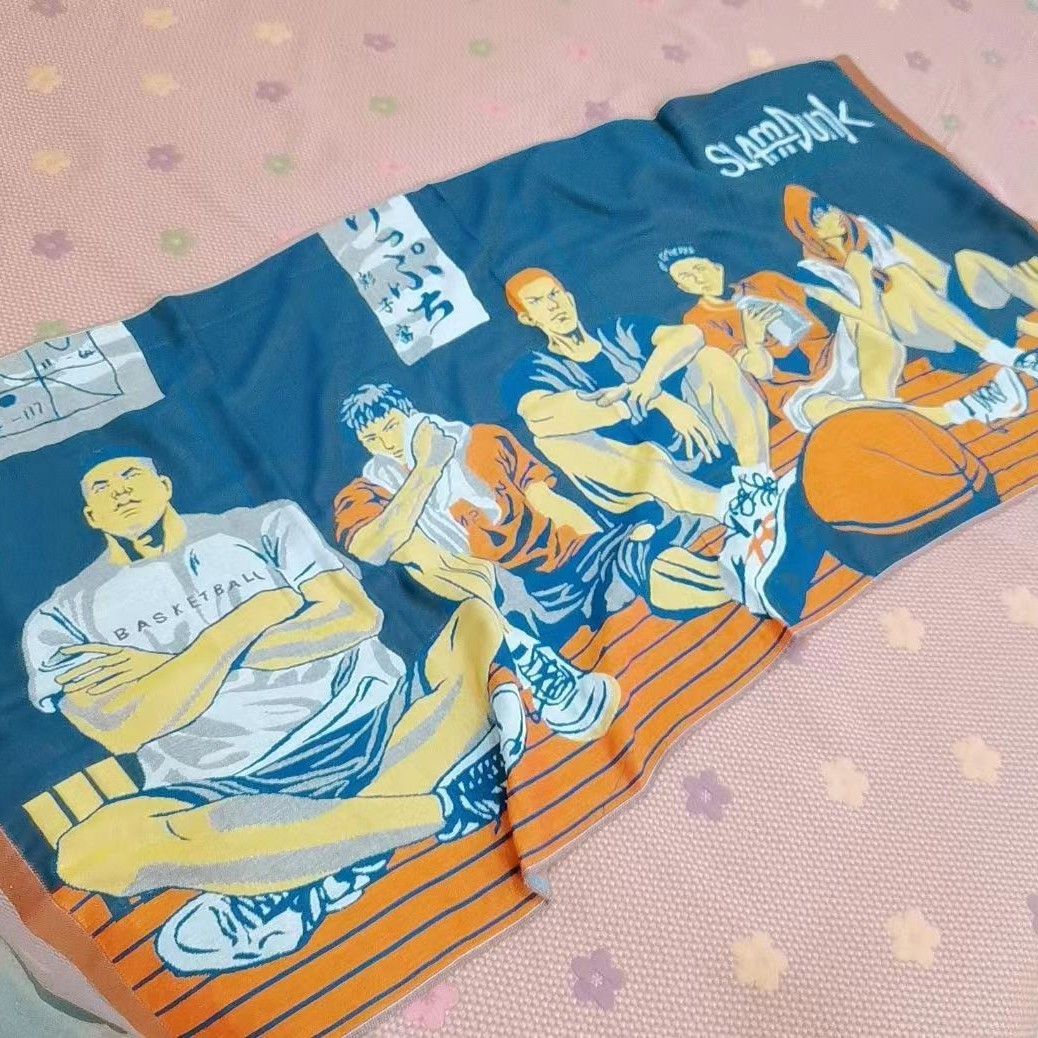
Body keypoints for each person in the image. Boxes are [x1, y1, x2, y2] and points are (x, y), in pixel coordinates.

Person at [22, 451, 525, 974]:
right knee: (88, 854)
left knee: (474, 621)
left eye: (131, 476)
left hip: (372, 718)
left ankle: (291, 866)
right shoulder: (60, 616)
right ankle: (438, 810)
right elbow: (124, 726)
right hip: (226, 791)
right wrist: (249, 617)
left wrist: (163, 672)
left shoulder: (265, 523)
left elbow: (353, 617)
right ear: (90, 516)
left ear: (165, 486)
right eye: (102, 488)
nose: (121, 490)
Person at [332, 385, 733, 747]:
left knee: (641, 560)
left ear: (410, 414)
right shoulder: (368, 491)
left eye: (392, 427)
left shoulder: (482, 441)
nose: (388, 443)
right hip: (489, 598)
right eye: (373, 439)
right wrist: (428, 468)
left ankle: (737, 587)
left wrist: (602, 547)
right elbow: (374, 547)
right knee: (411, 547)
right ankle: (531, 665)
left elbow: (549, 501)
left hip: (552, 563)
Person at [501, 266, 780, 606]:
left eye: (555, 295)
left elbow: (688, 336)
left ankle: (756, 481)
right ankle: (727, 508)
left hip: (700, 442)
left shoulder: (619, 332)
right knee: (554, 439)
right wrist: (645, 400)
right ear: (527, 319)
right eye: (537, 302)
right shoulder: (533, 371)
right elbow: (540, 415)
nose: (553, 305)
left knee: (711, 359)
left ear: (569, 298)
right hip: (644, 486)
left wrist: (647, 384)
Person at [659, 243, 1028, 433]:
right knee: (831, 411)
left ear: (716, 266)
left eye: (698, 268)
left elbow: (832, 301)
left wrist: (868, 293)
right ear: (680, 288)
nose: (697, 277)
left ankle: (889, 411)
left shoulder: (766, 281)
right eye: (686, 277)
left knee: (877, 324)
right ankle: (964, 411)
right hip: (798, 393)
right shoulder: (699, 320)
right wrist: (753, 338)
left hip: (833, 356)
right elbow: (760, 371)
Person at [779, 185, 1036, 429]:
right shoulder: (813, 274)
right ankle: (1009, 358)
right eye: (819, 215)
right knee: (899, 277)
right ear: (806, 230)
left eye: (827, 207)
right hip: (934, 343)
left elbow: (938, 273)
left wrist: (1001, 320)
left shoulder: (871, 230)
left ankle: (1006, 349)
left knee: (967, 260)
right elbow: (875, 327)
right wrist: (863, 278)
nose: (833, 214)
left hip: (957, 319)